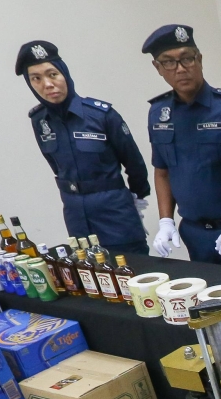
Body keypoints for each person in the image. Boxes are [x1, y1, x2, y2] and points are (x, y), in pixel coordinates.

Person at [141, 24, 221, 271]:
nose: (180, 69)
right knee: (209, 300)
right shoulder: (159, 114)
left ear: (199, 59)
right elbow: (162, 171)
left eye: (187, 58)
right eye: (169, 62)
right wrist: (166, 220)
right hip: (193, 231)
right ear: (158, 68)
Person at [17, 41, 150, 254]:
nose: (47, 84)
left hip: (115, 211)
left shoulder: (101, 115)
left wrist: (138, 196)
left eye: (52, 74)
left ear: (65, 74)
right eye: (36, 78)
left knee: (132, 272)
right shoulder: (39, 120)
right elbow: (56, 165)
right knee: (89, 278)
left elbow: (134, 162)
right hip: (75, 214)